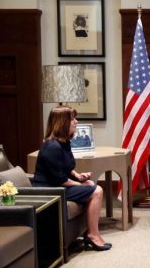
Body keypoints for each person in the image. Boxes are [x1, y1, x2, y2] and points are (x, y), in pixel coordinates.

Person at [33, 106, 110, 251]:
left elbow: (66, 167)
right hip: (50, 190)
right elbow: (60, 179)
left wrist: (78, 176)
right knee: (97, 190)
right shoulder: (52, 147)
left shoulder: (63, 142)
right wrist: (81, 185)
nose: (76, 122)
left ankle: (92, 233)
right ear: (62, 122)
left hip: (59, 185)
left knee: (91, 184)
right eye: (72, 119)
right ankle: (92, 235)